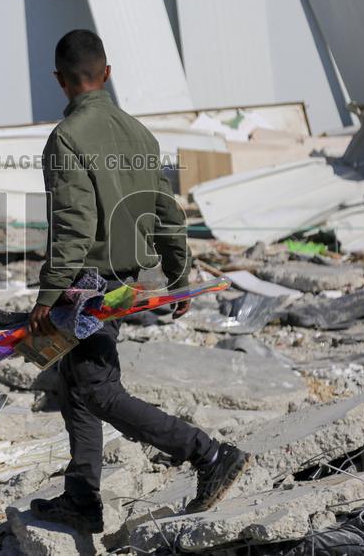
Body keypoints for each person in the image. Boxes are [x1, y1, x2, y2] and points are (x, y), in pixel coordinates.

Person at [27, 30, 251, 533]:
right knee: (76, 383)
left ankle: (209, 454)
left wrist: (48, 293)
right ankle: (81, 498)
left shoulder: (67, 138)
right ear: (107, 73)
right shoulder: (140, 135)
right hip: (121, 281)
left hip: (87, 286)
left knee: (99, 390)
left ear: (60, 80)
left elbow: (74, 224)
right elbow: (166, 210)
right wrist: (178, 273)